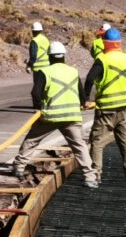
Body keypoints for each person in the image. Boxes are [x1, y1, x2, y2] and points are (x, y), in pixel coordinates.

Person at [11, 41, 99, 188]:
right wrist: (84, 102)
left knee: (32, 140)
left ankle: (19, 168)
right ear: (64, 56)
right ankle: (90, 177)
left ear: (50, 57)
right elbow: (81, 94)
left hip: (50, 116)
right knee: (79, 146)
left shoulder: (44, 72)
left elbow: (35, 93)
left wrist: (39, 108)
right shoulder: (73, 71)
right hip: (71, 117)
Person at [84, 28, 126, 183]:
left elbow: (89, 79)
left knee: (97, 141)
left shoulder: (103, 59)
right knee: (125, 141)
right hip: (123, 109)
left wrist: (85, 99)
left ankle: (96, 174)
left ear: (105, 43)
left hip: (105, 110)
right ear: (119, 43)